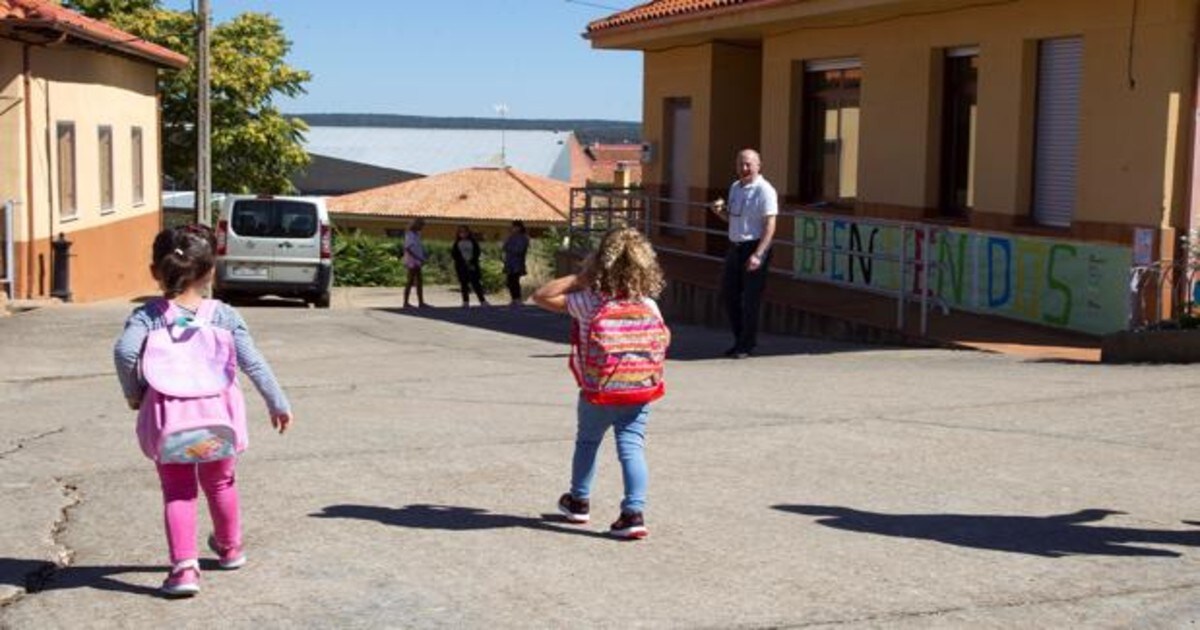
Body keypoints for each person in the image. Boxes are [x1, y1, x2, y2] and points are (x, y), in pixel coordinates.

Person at [113, 225, 292, 597]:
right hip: (217, 422)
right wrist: (277, 403)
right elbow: (253, 363)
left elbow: (125, 352)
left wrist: (136, 393)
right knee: (221, 482)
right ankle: (230, 548)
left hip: (171, 424)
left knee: (178, 491)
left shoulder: (148, 317)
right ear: (211, 270)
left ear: (154, 271)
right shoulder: (223, 315)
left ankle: (184, 569)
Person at [532, 227, 667, 540]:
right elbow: (665, 337)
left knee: (588, 442)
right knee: (631, 447)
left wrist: (583, 276)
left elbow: (541, 296)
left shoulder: (589, 300)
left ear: (600, 262)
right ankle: (633, 512)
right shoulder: (647, 304)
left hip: (599, 390)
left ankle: (579, 501)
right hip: (639, 388)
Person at [710, 148, 778, 359]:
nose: (744, 168)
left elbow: (770, 224)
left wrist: (759, 254)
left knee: (750, 299)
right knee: (729, 295)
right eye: (741, 164)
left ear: (759, 165)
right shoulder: (735, 188)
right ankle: (740, 339)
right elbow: (733, 219)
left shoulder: (765, 190)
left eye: (749, 164)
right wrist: (719, 212)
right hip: (735, 246)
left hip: (755, 246)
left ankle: (746, 345)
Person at [450, 225, 489, 307]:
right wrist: (462, 262)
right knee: (464, 284)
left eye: (465, 232)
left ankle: (482, 301)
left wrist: (471, 262)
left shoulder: (473, 242)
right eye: (461, 232)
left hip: (472, 265)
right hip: (461, 266)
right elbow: (454, 255)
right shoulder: (457, 243)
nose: (463, 234)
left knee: (476, 283)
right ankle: (465, 301)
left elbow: (477, 253)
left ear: (468, 233)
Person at [402, 218, 429, 308]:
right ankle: (406, 302)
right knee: (410, 281)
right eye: (421, 226)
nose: (422, 228)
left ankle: (421, 302)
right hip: (412, 260)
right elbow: (408, 248)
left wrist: (423, 254)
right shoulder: (410, 235)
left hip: (417, 259)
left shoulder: (417, 235)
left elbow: (418, 247)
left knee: (419, 281)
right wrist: (418, 258)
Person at [502, 219, 530, 306]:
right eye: (513, 227)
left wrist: (510, 249)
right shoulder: (510, 237)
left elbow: (520, 250)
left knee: (515, 281)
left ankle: (518, 299)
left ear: (520, 228)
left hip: (517, 262)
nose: (513, 228)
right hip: (509, 262)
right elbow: (504, 247)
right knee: (509, 281)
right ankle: (513, 298)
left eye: (515, 227)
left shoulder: (523, 238)